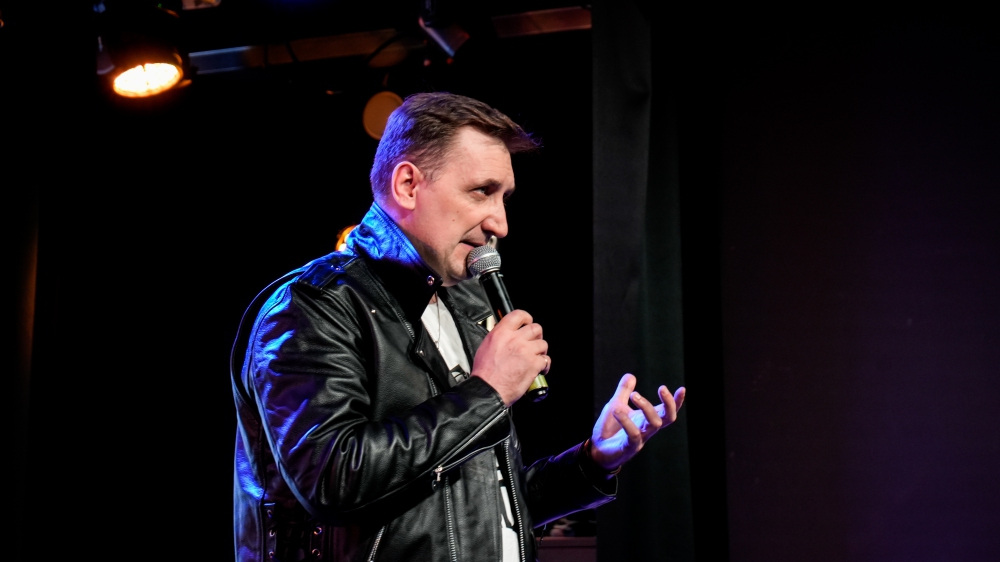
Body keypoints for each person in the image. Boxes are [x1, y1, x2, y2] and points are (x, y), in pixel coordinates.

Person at [231, 92, 686, 562]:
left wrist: (592, 461)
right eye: (481, 192)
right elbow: (333, 481)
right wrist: (487, 392)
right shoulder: (314, 305)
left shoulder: (465, 302)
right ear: (408, 184)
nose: (500, 224)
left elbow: (480, 508)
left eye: (504, 197)